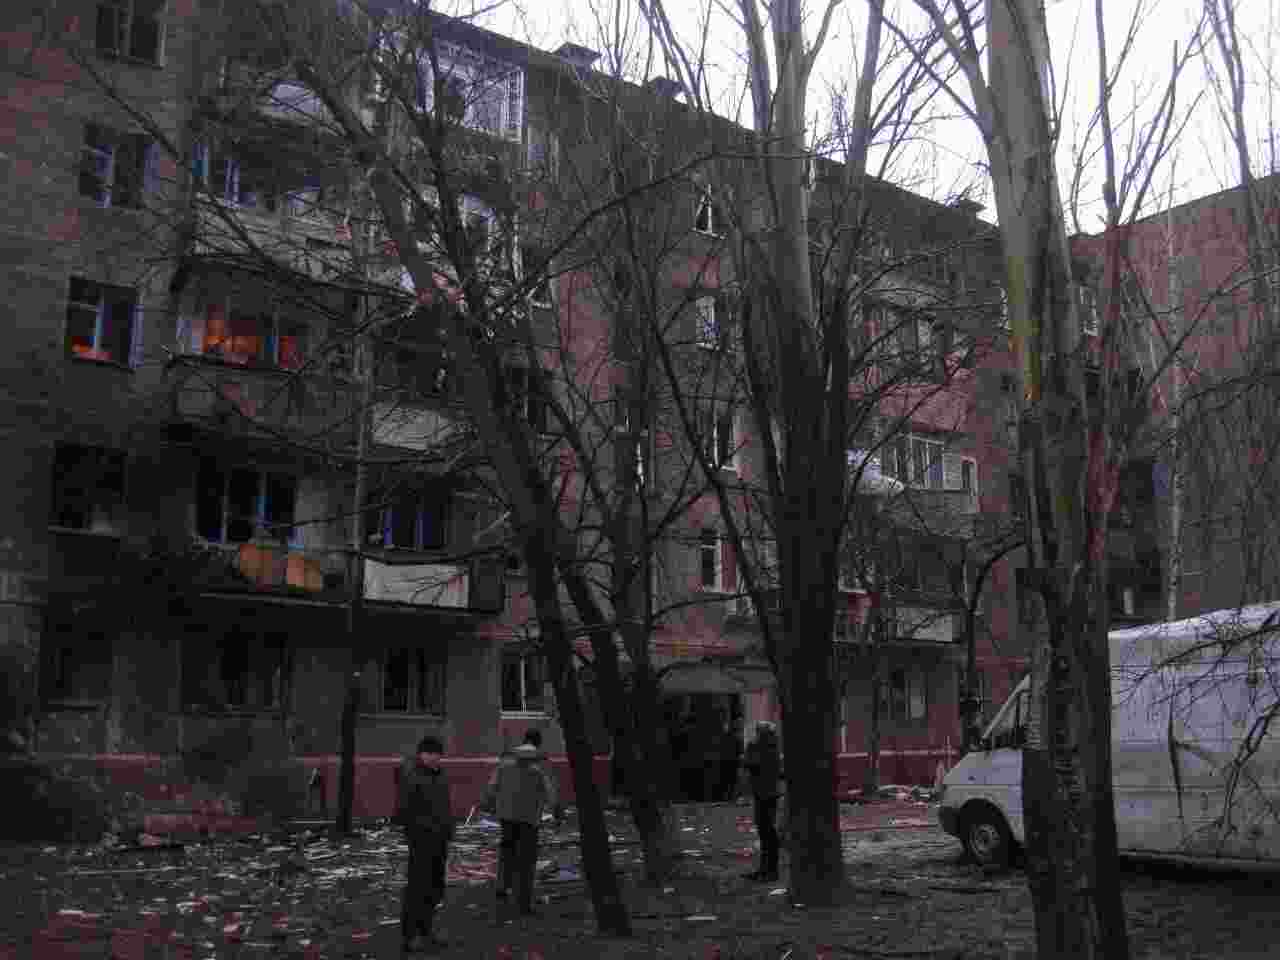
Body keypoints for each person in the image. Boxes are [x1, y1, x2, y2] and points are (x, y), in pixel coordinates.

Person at [484, 728, 561, 916]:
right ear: (538, 743)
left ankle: (502, 886)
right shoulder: (541, 765)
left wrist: (492, 804)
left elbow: (491, 787)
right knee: (526, 859)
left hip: (507, 816)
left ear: (524, 739)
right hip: (529, 818)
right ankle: (523, 901)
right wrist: (556, 812)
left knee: (507, 850)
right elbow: (551, 793)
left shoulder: (505, 762)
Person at [396, 734, 454, 955]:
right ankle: (409, 937)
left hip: (439, 840)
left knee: (435, 889)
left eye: (437, 754)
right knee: (417, 889)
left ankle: (426, 931)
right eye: (430, 754)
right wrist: (418, 833)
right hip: (421, 841)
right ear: (422, 755)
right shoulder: (412, 776)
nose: (435, 758)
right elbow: (403, 811)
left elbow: (444, 805)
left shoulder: (441, 775)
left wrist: (448, 829)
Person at [742, 720, 782, 881]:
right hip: (769, 793)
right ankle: (767, 869)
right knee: (767, 833)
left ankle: (769, 871)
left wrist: (750, 749)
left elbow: (749, 764)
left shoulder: (759, 748)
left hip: (764, 794)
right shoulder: (773, 748)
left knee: (766, 833)